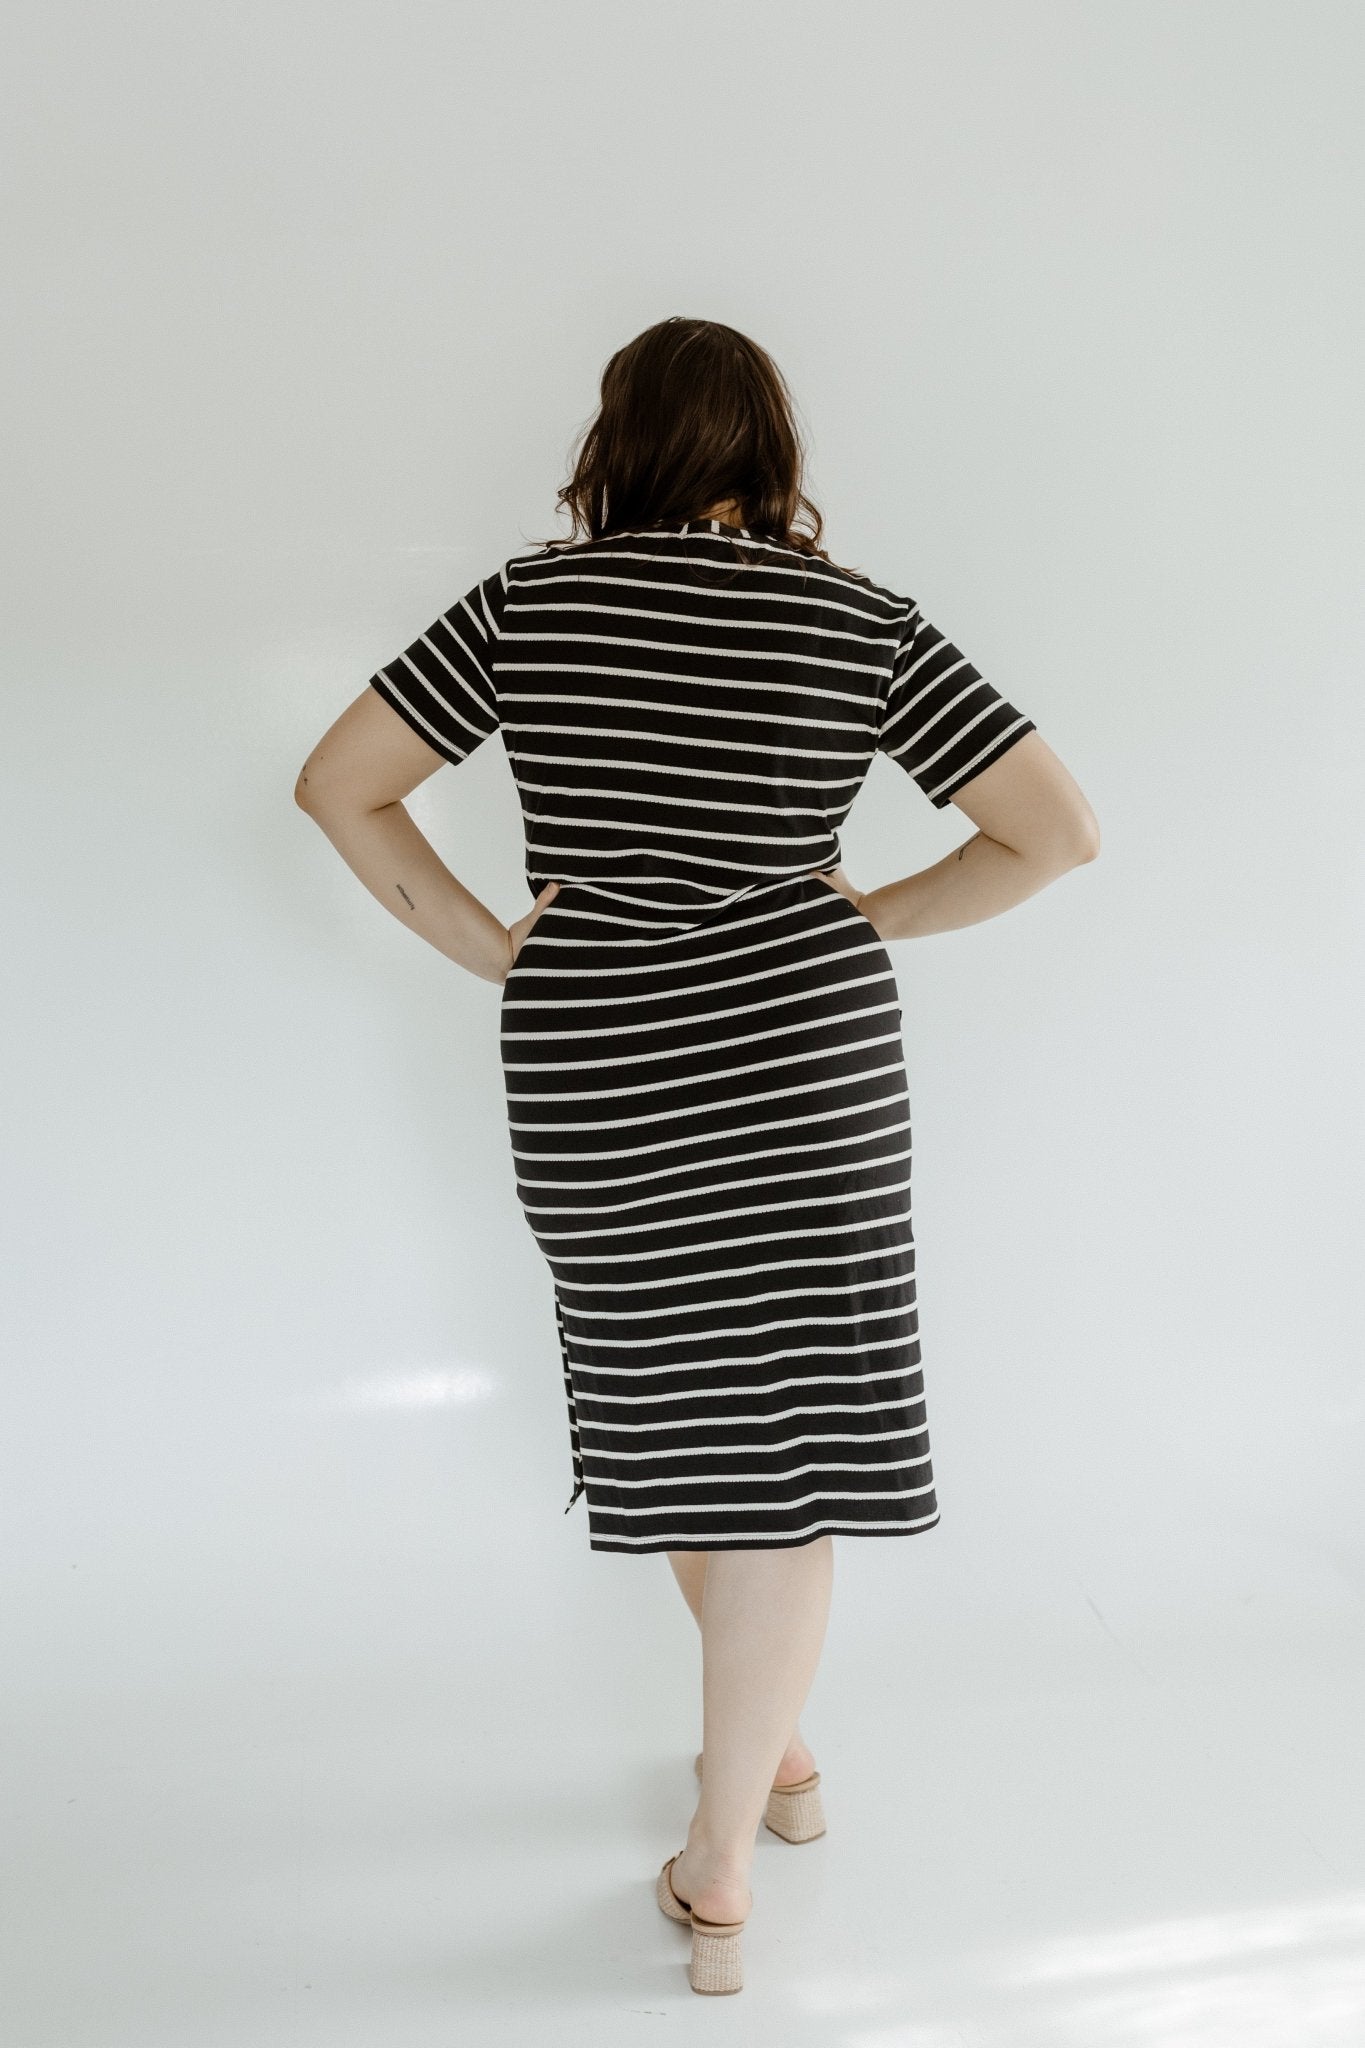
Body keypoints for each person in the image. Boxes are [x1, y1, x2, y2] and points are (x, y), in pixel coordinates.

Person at [294, 315, 1100, 1995]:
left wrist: (498, 950)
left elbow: (339, 785)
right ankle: (737, 1833)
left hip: (594, 1056)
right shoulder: (856, 616)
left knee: (665, 1406)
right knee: (782, 1444)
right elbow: (1053, 832)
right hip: (804, 1054)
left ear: (619, 443)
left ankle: (746, 1794)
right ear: (768, 449)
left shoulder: (530, 606)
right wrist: (867, 914)